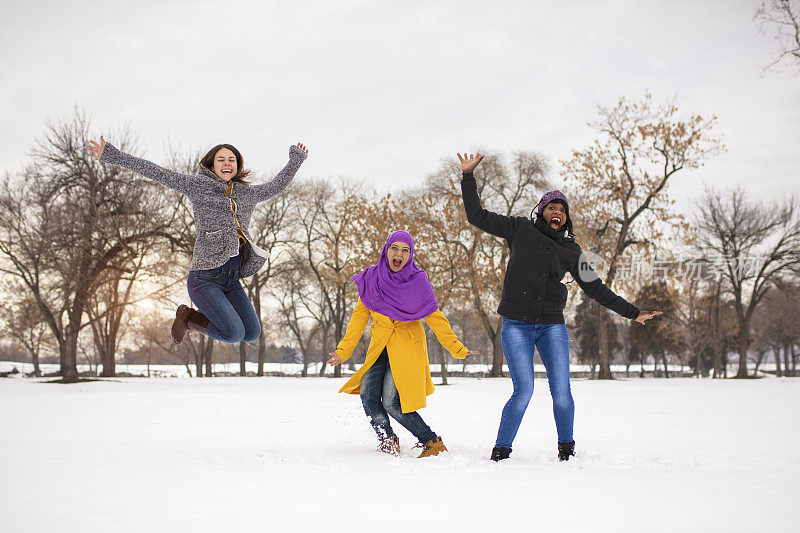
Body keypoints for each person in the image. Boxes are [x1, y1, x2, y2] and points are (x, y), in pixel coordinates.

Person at [457, 152, 661, 462]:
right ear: (541, 211)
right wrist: (468, 177)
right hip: (516, 325)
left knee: (562, 392)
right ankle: (501, 450)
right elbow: (477, 216)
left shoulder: (571, 251)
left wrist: (633, 313)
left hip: (552, 326)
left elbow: (596, 289)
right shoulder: (519, 229)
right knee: (523, 390)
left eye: (562, 210)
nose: (557, 212)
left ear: (566, 218)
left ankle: (567, 449)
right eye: (552, 207)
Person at [88, 135, 308, 344]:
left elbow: (275, 186)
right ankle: (187, 318)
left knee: (251, 333)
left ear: (237, 166)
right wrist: (113, 155)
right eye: (220, 159)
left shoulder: (246, 194)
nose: (226, 163)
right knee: (232, 333)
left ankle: (192, 317)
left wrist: (295, 160)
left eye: (232, 159)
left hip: (230, 280)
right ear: (211, 165)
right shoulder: (198, 186)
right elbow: (157, 172)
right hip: (205, 279)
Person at [328, 230, 478, 458]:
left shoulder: (418, 282)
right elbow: (358, 321)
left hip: (407, 347)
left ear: (410, 254)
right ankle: (387, 439)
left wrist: (457, 348)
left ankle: (431, 441)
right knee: (368, 396)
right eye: (394, 248)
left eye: (405, 250)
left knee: (391, 402)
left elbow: (436, 318)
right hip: (380, 347)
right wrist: (343, 351)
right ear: (386, 250)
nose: (399, 254)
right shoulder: (371, 279)